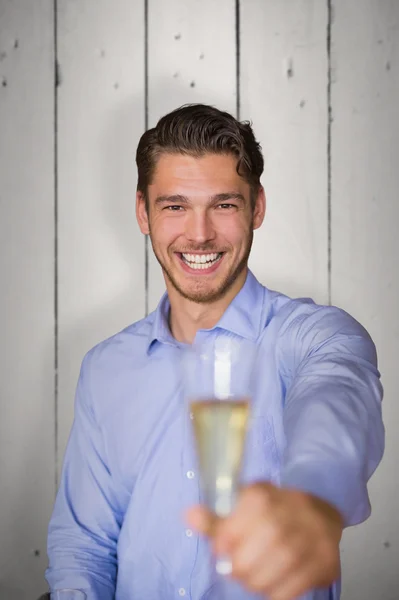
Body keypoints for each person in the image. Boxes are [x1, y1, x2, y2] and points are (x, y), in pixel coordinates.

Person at [45, 104, 385, 600]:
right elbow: (86, 545)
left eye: (223, 205)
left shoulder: (317, 336)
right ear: (143, 212)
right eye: (175, 205)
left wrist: (313, 499)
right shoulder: (105, 368)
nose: (199, 233)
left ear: (257, 208)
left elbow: (337, 396)